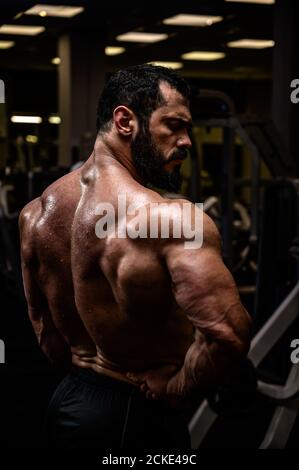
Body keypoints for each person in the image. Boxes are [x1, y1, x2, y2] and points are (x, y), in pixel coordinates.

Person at [19, 64, 251, 449]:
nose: (187, 141)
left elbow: (46, 334)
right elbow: (226, 335)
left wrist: (88, 373)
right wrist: (178, 388)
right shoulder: (172, 220)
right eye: (174, 125)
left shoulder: (35, 214)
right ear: (125, 121)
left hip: (68, 401)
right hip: (136, 414)